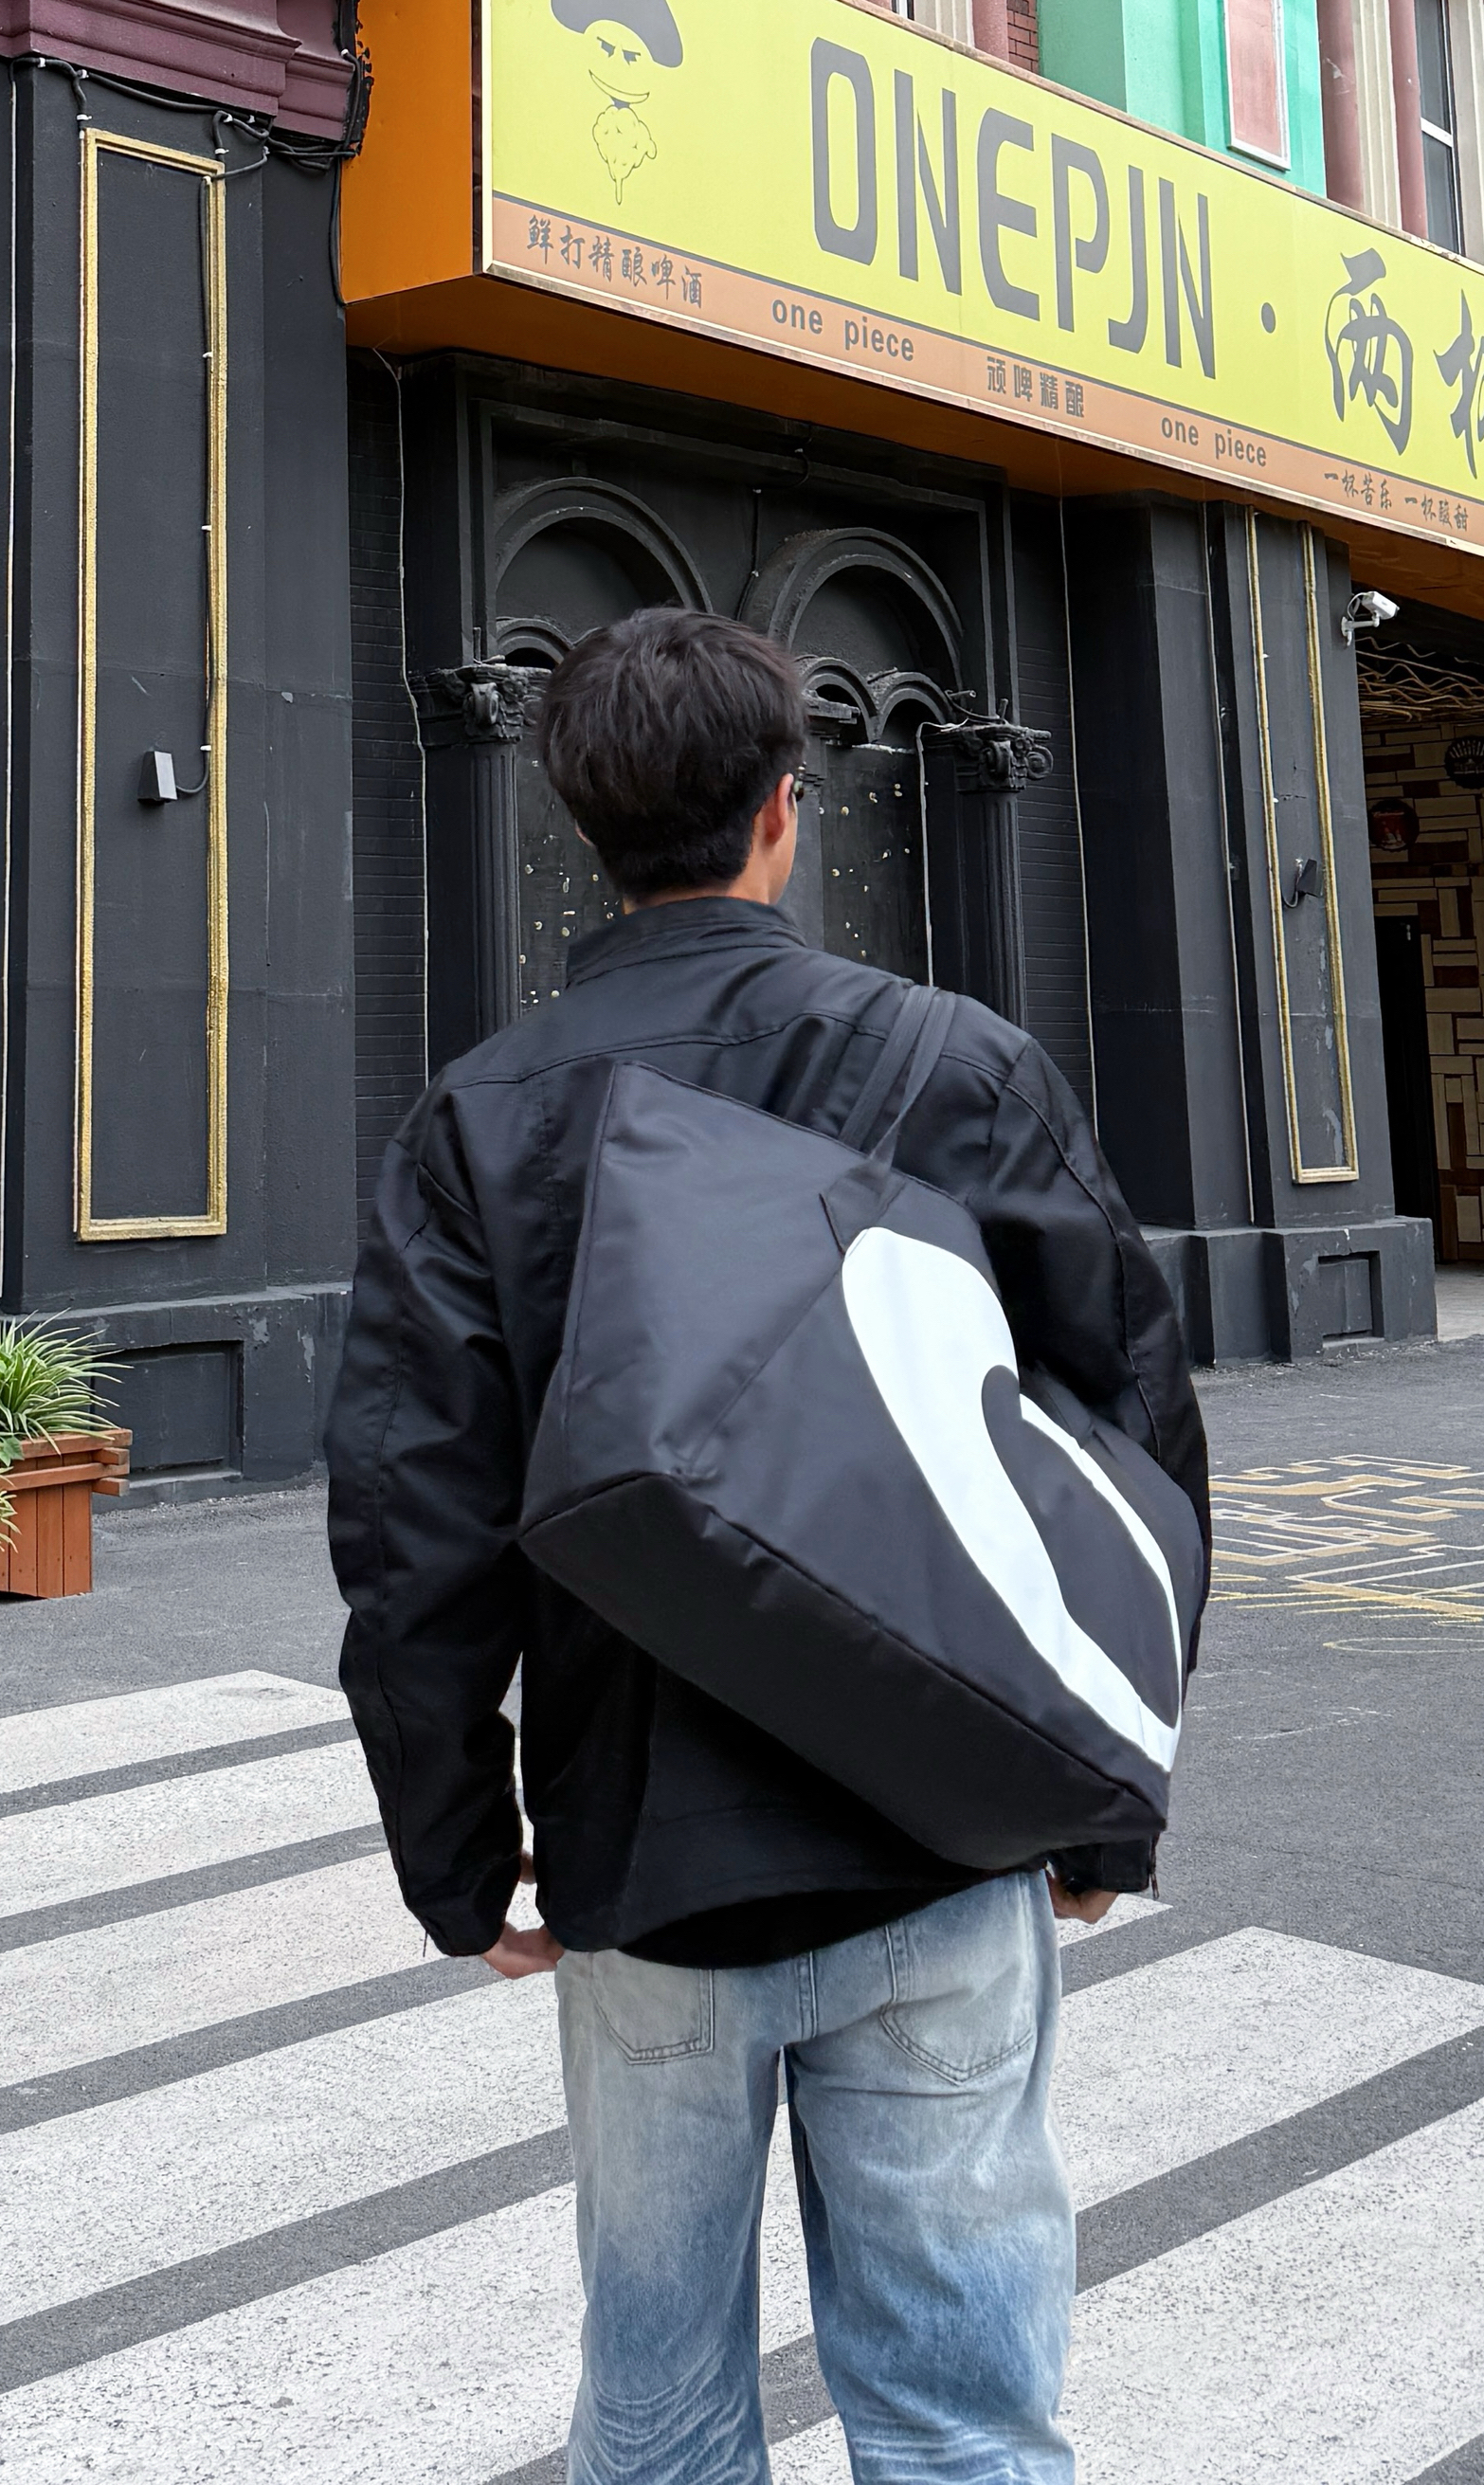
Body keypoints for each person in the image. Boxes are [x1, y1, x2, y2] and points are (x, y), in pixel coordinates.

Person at [327, 608, 1209, 2482]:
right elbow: (1126, 1415)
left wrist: (458, 1862)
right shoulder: (955, 1060)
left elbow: (413, 1529)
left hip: (643, 1867)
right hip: (942, 1834)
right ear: (782, 812)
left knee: (657, 2418)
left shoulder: (481, 1118)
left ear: (586, 826)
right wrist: (1103, 1809)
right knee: (962, 2419)